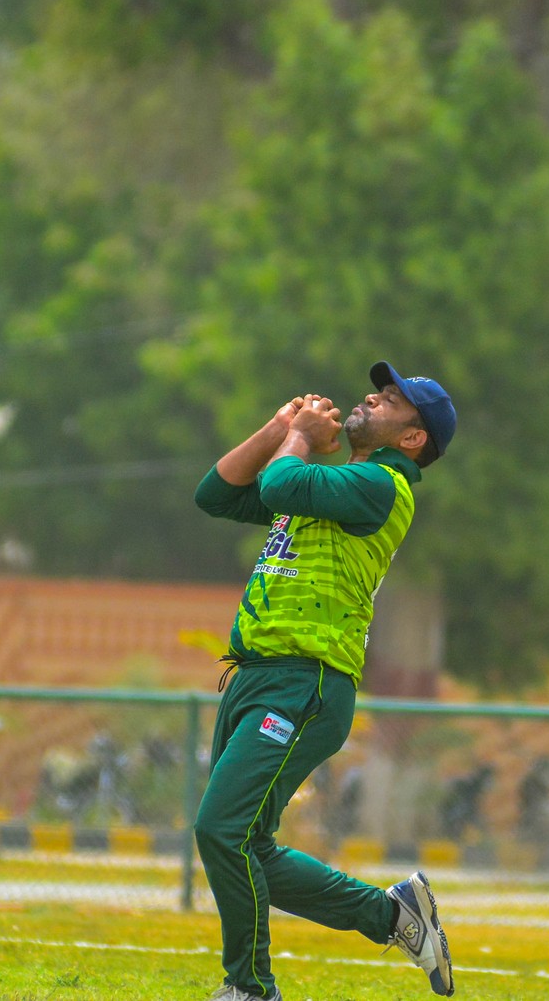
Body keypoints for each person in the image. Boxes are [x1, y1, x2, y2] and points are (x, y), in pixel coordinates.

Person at [191, 362, 458, 1001]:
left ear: (413, 438)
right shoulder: (334, 485)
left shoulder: (383, 485)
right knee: (246, 843)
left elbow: (281, 481)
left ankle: (250, 988)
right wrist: (279, 427)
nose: (372, 397)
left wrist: (302, 438)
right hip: (258, 678)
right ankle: (392, 916)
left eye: (390, 399)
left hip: (304, 684)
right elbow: (216, 494)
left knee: (221, 830)